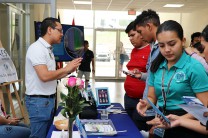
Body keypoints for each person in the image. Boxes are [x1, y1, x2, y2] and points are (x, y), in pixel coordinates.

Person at [136, 20, 208, 138]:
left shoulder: (193, 67)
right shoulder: (157, 65)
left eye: (172, 44)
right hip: (163, 119)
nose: (167, 50)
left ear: (183, 41)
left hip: (189, 122)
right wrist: (146, 104)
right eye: (162, 45)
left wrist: (179, 119)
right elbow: (152, 97)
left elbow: (205, 107)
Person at [25, 17, 82, 138]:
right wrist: (66, 68)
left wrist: (69, 70)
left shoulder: (48, 49)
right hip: (38, 102)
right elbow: (44, 76)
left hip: (47, 100)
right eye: (60, 30)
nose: (62, 34)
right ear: (50, 30)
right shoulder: (37, 49)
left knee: (47, 134)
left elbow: (53, 75)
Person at [124, 21, 151, 130]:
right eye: (129, 36)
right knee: (129, 126)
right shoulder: (134, 51)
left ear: (141, 32)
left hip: (142, 100)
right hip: (128, 97)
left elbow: (153, 76)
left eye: (133, 35)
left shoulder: (152, 50)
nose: (131, 39)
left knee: (139, 128)